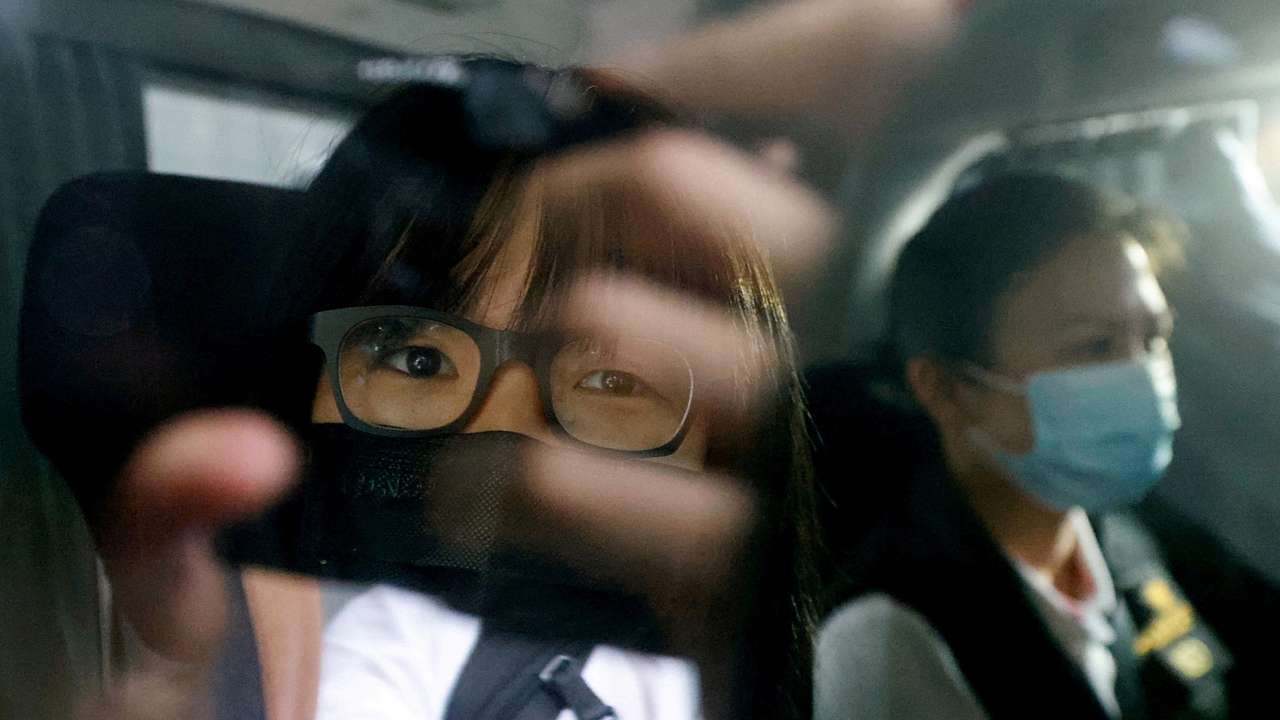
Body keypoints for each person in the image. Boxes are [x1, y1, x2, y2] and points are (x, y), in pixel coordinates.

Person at [22, 57, 825, 720]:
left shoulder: (720, 662)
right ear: (305, 385)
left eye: (613, 379)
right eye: (418, 362)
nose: (505, 450)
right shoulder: (239, 638)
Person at [814, 174, 1250, 720]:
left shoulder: (1126, 536)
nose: (1143, 376)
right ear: (948, 390)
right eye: (1095, 346)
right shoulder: (890, 642)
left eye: (1153, 338)